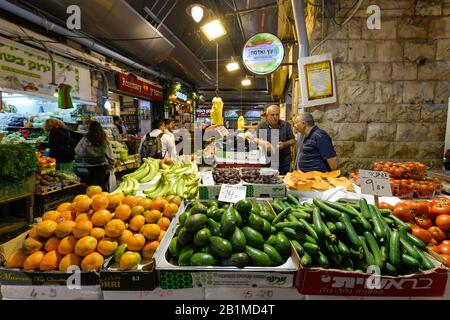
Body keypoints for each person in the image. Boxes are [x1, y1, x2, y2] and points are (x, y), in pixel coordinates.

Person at [253, 105, 296, 175]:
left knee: (282, 183)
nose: (275, 117)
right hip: (267, 161)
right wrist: (264, 143)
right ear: (267, 115)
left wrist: (284, 144)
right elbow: (255, 139)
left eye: (277, 114)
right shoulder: (261, 125)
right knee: (267, 181)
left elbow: (293, 140)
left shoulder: (286, 125)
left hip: (283, 162)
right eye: (272, 115)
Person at [75, 121, 115, 189]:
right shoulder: (104, 138)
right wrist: (112, 163)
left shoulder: (86, 138)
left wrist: (85, 154)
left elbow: (78, 151)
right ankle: (101, 196)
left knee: (91, 184)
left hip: (89, 164)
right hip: (102, 164)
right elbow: (109, 152)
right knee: (101, 183)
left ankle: (92, 196)